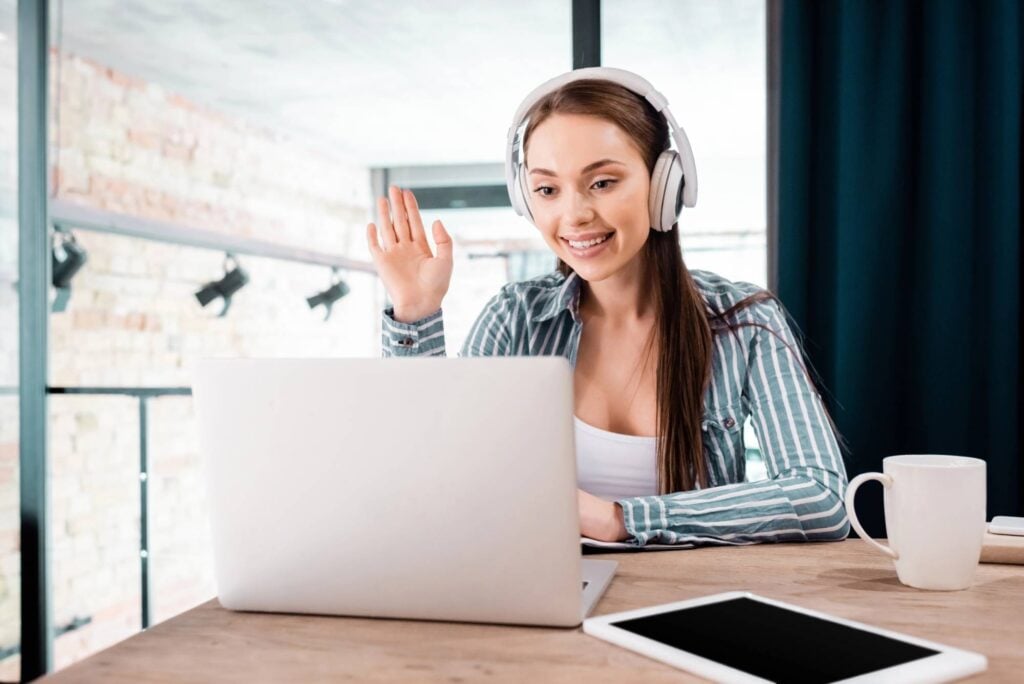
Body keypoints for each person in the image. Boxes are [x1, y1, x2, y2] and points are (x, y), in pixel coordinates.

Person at [365, 68, 850, 547]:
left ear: (666, 186)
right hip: (536, 593)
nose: (573, 215)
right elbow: (429, 474)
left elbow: (820, 498)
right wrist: (415, 311)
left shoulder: (743, 321)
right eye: (547, 190)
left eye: (602, 183)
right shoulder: (515, 319)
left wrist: (620, 519)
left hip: (692, 598)